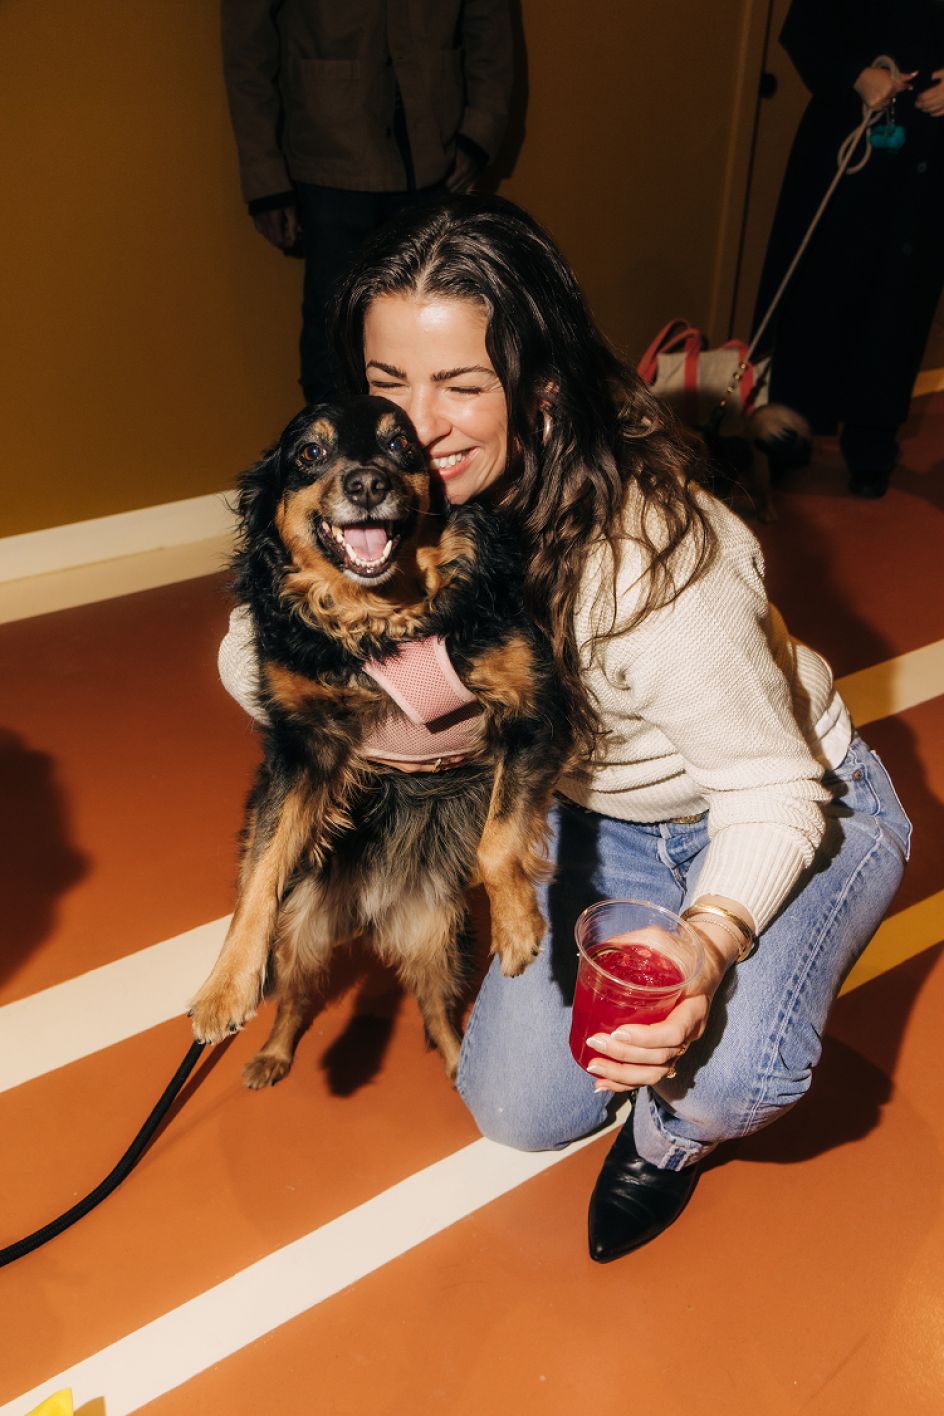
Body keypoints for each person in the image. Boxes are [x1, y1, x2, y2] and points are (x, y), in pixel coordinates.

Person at [218, 196, 911, 1262]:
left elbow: (771, 789)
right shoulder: (407, 511)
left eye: (461, 385)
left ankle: (673, 1138)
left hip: (783, 803)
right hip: (591, 815)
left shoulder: (654, 560)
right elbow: (246, 650)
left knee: (730, 1076)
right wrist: (393, 710)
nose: (417, 426)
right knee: (519, 1111)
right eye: (389, 384)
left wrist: (707, 942)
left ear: (539, 392)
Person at [220, 0, 513, 404]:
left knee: (441, 339)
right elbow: (247, 47)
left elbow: (490, 25)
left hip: (434, 158)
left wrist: (480, 132)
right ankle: (338, 444)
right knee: (334, 343)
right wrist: (265, 177)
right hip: (327, 162)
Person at [754, 0, 944, 498]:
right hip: (843, 138)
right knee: (814, 287)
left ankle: (872, 444)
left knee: (901, 300)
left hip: (926, 162)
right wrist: (855, 74)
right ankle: (788, 433)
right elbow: (803, 27)